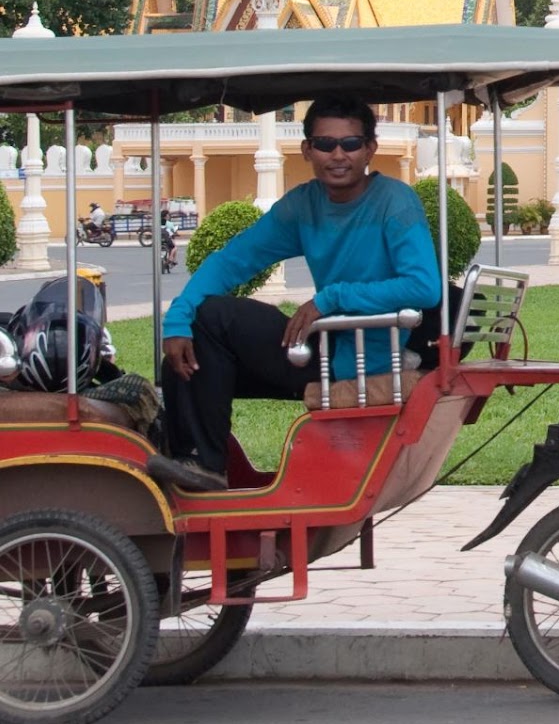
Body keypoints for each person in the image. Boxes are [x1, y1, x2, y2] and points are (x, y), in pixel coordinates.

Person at [147, 95, 441, 492]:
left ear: (370, 148)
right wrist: (177, 320)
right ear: (307, 150)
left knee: (213, 317)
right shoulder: (304, 204)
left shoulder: (394, 202)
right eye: (325, 144)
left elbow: (423, 286)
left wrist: (330, 299)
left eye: (351, 144)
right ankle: (197, 468)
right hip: (322, 346)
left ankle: (203, 463)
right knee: (190, 348)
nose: (338, 155)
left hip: (365, 350)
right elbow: (232, 261)